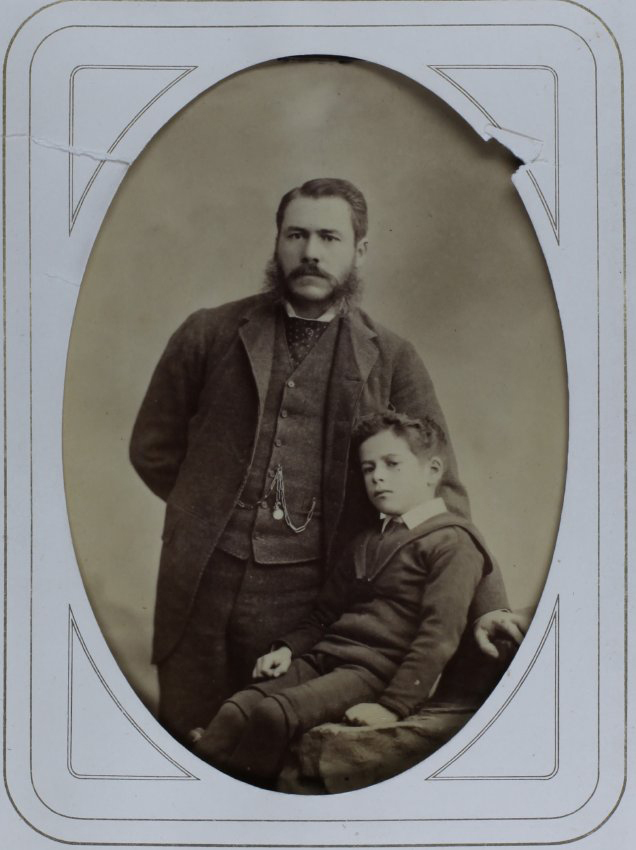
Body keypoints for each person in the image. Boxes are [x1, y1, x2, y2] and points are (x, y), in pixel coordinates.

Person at [129, 177, 515, 744]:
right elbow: (152, 447)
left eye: (329, 237)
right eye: (297, 235)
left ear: (359, 250)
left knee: (277, 754)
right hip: (199, 590)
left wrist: (487, 606)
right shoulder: (208, 333)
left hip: (313, 604)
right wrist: (208, 508)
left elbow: (443, 494)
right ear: (278, 242)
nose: (311, 252)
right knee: (188, 750)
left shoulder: (393, 357)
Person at [191, 412, 497, 787]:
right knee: (235, 711)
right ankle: (194, 793)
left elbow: (439, 635)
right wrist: (288, 649)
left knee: (273, 715)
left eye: (391, 464)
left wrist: (392, 706)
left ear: (432, 470)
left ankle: (242, 808)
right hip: (324, 657)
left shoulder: (452, 542)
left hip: (371, 672)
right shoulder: (367, 539)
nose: (377, 477)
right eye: (368, 468)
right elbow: (324, 615)